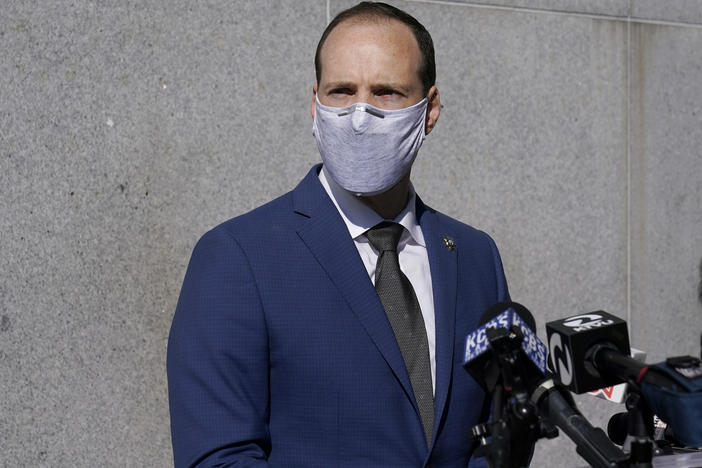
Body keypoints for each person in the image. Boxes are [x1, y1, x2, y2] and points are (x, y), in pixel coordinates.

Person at [167, 2, 510, 467]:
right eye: (342, 91)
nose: (360, 114)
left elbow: (498, 438)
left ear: (429, 110)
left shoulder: (474, 256)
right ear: (314, 104)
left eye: (386, 92)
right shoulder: (238, 258)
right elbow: (218, 457)